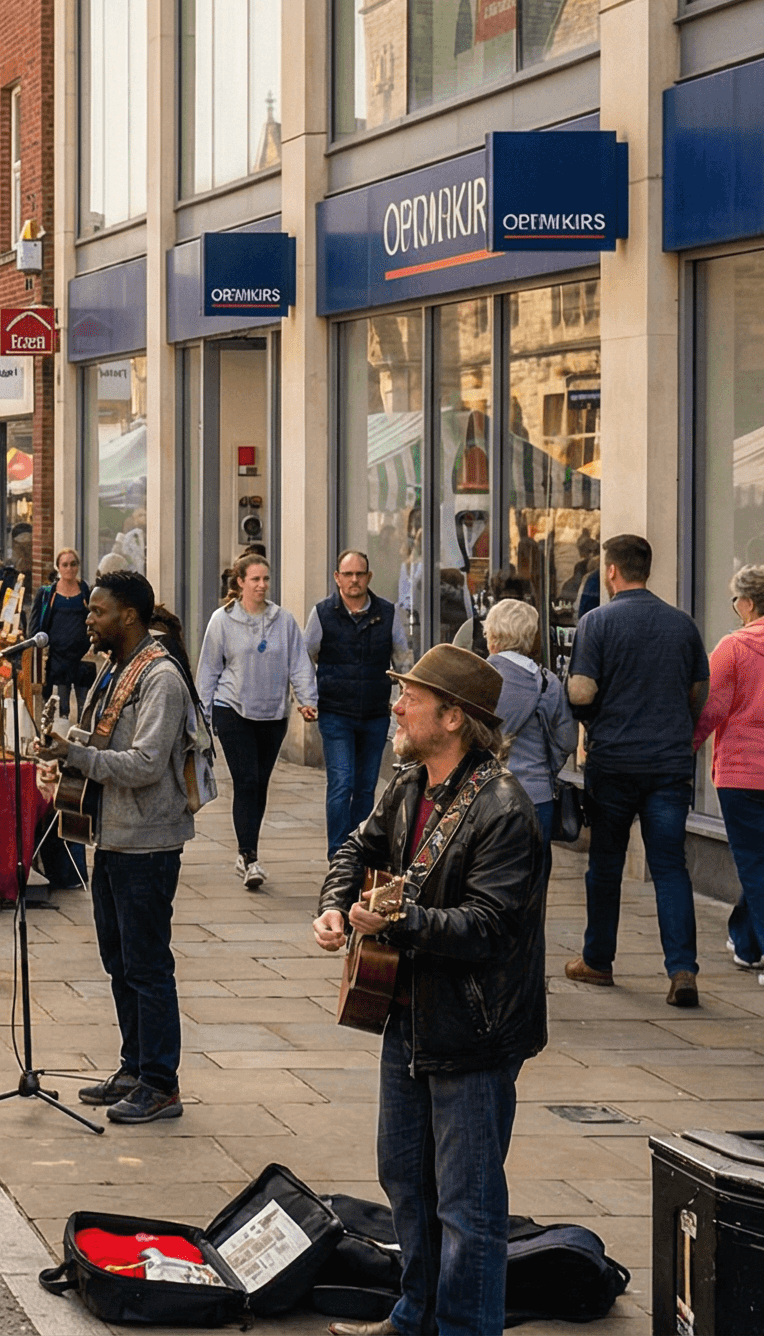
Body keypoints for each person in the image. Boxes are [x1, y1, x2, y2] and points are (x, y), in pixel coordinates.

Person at [312, 645, 548, 1336]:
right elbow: (357, 848)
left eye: (410, 699)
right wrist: (334, 906)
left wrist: (400, 921)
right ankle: (415, 1314)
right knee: (405, 1180)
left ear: (452, 718)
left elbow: (490, 927)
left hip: (474, 1031)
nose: (396, 708)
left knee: (468, 1206)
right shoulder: (411, 783)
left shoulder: (504, 809)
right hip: (409, 1014)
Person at [31, 569, 194, 1124]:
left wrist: (75, 756)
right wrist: (64, 746)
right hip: (114, 835)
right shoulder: (116, 668)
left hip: (148, 842)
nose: (88, 620)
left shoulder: (160, 676)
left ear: (128, 616)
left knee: (147, 964)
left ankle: (161, 1083)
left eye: (97, 611)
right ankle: (134, 1066)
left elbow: (146, 764)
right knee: (119, 959)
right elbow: (103, 741)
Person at [565, 534, 711, 1007]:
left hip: (613, 763)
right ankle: (682, 969)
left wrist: (593, 720)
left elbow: (581, 691)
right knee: (670, 867)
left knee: (606, 863)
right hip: (669, 765)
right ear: (646, 569)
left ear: (611, 570)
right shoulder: (682, 624)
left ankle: (598, 960)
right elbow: (699, 691)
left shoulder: (596, 622)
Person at [198, 555, 315, 891]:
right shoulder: (222, 620)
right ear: (240, 582)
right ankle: (248, 856)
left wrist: (307, 699)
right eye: (255, 579)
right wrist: (203, 718)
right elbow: (208, 671)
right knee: (247, 780)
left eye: (266, 579)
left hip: (273, 714)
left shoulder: (284, 620)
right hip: (232, 709)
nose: (262, 585)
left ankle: (248, 849)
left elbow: (299, 663)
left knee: (260, 784)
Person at [308, 550, 403, 856]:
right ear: (337, 578)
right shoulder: (322, 613)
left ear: (368, 577)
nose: (354, 580)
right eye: (347, 574)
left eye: (359, 574)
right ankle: (338, 855)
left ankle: (357, 853)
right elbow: (305, 656)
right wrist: (309, 696)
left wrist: (405, 703)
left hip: (375, 713)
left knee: (365, 788)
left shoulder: (388, 613)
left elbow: (403, 661)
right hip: (336, 712)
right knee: (341, 783)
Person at [700, 565, 764, 984]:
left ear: (748, 603)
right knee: (757, 862)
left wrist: (681, 752)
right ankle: (747, 944)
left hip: (742, 775)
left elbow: (708, 710)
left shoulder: (733, 647)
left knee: (754, 863)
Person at [487, 598, 576, 843]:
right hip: (538, 795)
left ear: (492, 635)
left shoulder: (478, 678)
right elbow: (567, 741)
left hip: (486, 796)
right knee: (537, 865)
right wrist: (546, 770)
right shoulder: (549, 683)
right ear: (531, 637)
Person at [32, 549, 94, 703]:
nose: (69, 569)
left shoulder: (85, 591)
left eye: (73, 564)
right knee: (59, 707)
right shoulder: (47, 593)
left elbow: (94, 618)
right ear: (58, 567)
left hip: (82, 659)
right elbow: (35, 627)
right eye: (65, 565)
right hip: (57, 660)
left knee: (84, 706)